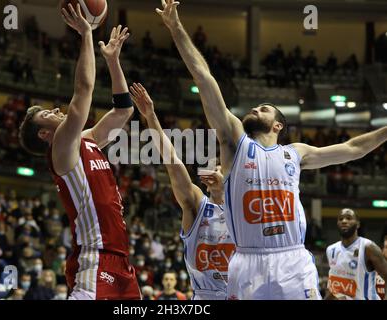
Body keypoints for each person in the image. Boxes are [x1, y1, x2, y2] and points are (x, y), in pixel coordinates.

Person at [157, 0, 387, 300]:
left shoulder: (296, 152)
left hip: (291, 258)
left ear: (278, 125)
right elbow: (204, 78)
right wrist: (176, 28)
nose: (255, 108)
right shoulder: (234, 144)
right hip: (246, 260)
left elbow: (354, 147)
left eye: (263, 108)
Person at [19, 4, 138, 300]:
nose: (56, 110)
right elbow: (83, 91)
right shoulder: (61, 149)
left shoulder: (87, 140)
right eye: (48, 113)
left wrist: (112, 61)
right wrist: (86, 34)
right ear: (45, 134)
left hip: (122, 262)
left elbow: (123, 111)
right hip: (95, 259)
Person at [130, 83, 235, 300]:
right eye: (213, 168)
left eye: (221, 169)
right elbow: (172, 162)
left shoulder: (242, 212)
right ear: (206, 180)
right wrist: (151, 117)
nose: (216, 172)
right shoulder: (197, 204)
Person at [325, 209, 387, 300]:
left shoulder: (368, 247)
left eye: (349, 218)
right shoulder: (331, 250)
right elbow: (334, 288)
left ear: (358, 224)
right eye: (341, 219)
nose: (344, 221)